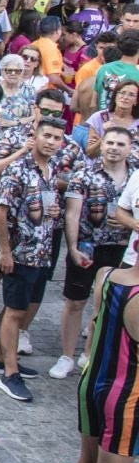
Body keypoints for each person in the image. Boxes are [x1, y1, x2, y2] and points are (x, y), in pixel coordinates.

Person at [52, 233, 139, 463]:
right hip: (127, 396)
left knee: (88, 460)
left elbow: (96, 323)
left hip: (94, 383)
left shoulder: (108, 276)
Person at [0, 117, 73, 401]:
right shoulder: (18, 169)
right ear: (34, 137)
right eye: (47, 136)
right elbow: (0, 212)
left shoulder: (50, 170)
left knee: (20, 308)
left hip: (41, 251)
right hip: (20, 252)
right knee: (15, 310)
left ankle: (1, 358)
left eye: (57, 138)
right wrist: (5, 251)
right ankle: (9, 373)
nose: (51, 142)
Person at [58, 124, 131, 380]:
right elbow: (72, 214)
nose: (114, 148)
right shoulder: (84, 174)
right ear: (101, 145)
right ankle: (67, 356)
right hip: (87, 245)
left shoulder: (135, 176)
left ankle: (91, 355)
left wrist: (126, 221)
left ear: (130, 148)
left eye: (120, 144)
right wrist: (73, 247)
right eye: (110, 142)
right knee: (75, 301)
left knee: (106, 304)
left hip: (121, 249)